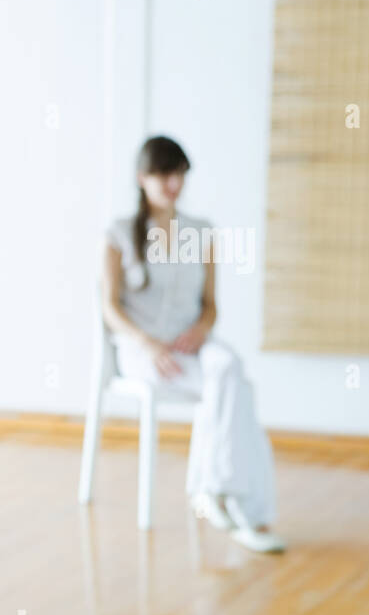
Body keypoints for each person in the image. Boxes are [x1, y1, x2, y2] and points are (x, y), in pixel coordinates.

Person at [101, 136, 285, 553]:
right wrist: (147, 343)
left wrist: (202, 330)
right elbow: (109, 306)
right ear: (142, 178)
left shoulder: (201, 232)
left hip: (191, 346)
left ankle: (216, 488)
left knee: (231, 368)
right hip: (142, 352)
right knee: (238, 389)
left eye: (180, 173)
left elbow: (211, 307)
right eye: (165, 173)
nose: (173, 183)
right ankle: (241, 507)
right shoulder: (118, 234)